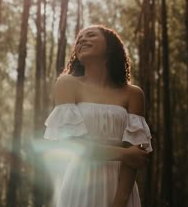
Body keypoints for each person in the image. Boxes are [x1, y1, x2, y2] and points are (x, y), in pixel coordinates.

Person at [42, 25, 152, 207]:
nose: (82, 40)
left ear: (110, 47)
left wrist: (120, 202)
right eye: (79, 40)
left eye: (91, 35)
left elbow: (136, 157)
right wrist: (124, 154)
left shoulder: (133, 94)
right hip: (79, 185)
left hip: (122, 189)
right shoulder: (68, 83)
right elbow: (72, 145)